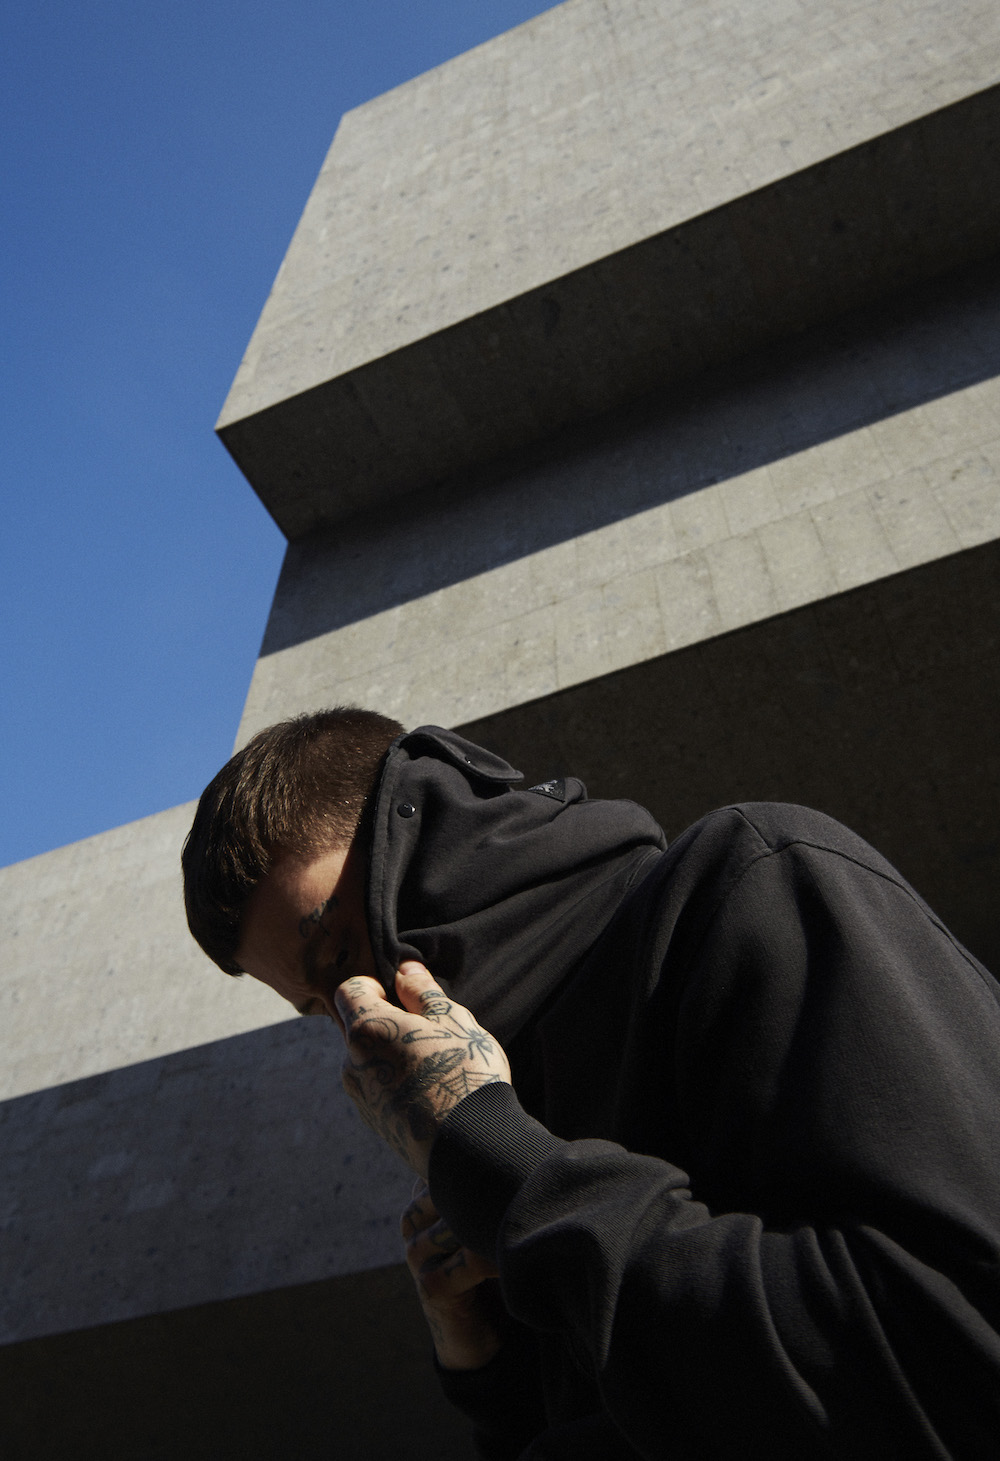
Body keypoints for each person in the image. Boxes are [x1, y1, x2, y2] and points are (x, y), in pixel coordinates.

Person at [182, 707, 1000, 1460]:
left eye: (341, 958)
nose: (356, 1019)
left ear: (429, 835)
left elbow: (953, 1353)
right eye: (318, 1008)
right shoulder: (514, 1128)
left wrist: (520, 1179)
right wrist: (487, 1367)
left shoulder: (746, 883)